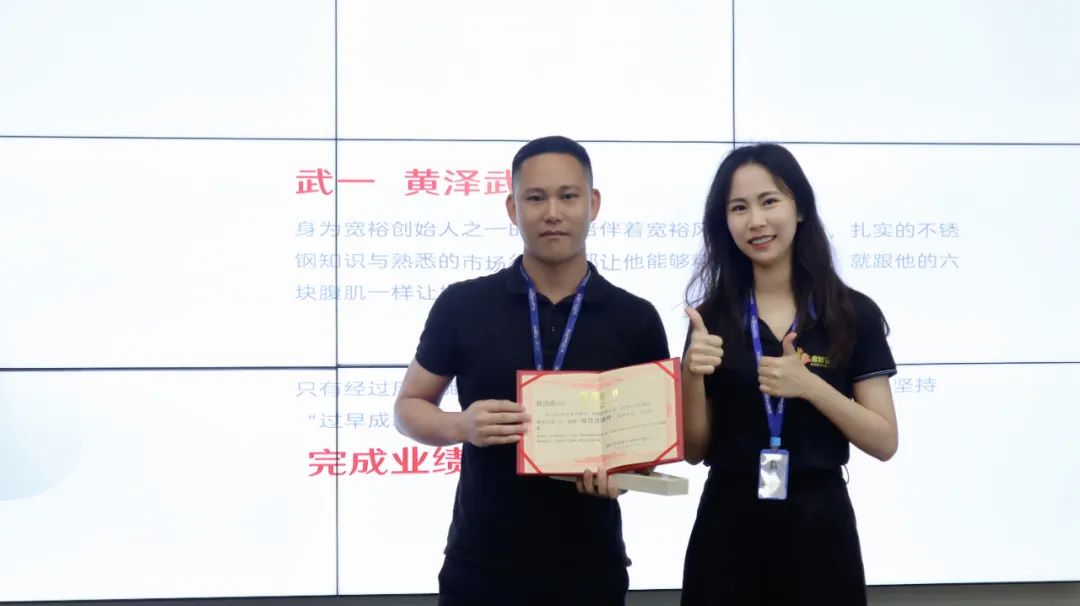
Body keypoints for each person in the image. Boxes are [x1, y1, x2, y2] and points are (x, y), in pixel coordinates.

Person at [393, 135, 670, 606]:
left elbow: (652, 446)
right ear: (512, 208)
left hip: (590, 569)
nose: (552, 212)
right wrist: (462, 426)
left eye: (568, 196)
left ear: (593, 203)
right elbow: (408, 407)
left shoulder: (635, 318)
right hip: (481, 566)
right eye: (536, 198)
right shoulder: (463, 305)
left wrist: (623, 474)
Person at [679, 143, 899, 605]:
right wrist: (691, 375)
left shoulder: (851, 313)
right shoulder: (711, 318)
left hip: (819, 524)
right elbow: (696, 450)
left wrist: (810, 387)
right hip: (728, 524)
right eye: (739, 208)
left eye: (769, 201)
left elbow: (884, 441)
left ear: (799, 209)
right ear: (724, 223)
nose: (756, 221)